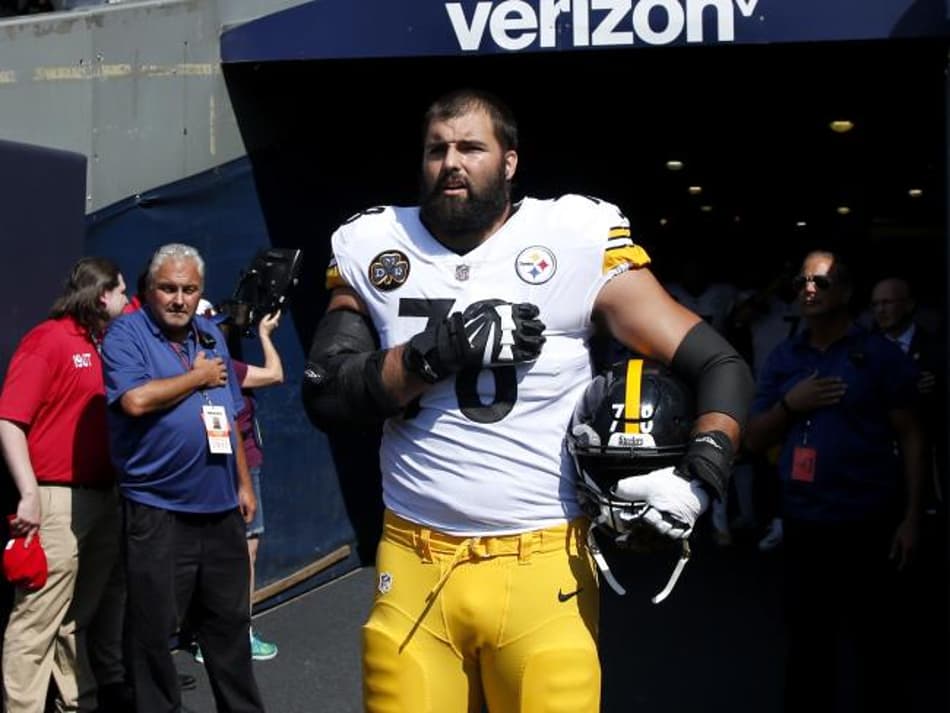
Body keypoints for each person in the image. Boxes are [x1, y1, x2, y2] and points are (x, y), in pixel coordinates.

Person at [302, 88, 754, 713]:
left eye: (470, 147)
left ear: (509, 162)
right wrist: (438, 352)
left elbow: (719, 363)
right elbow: (328, 394)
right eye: (437, 149)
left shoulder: (572, 236)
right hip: (414, 559)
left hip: (544, 561)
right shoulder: (376, 242)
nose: (451, 162)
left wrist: (701, 474)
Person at [744, 250, 926, 713]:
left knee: (878, 647)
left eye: (821, 282)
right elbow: (750, 438)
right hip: (806, 521)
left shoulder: (880, 357)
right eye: (803, 281)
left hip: (871, 522)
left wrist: (911, 518)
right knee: (808, 645)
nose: (808, 289)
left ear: (846, 292)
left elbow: (911, 435)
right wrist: (791, 404)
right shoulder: (786, 357)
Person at [100, 243, 265, 713]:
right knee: (153, 631)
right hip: (158, 508)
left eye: (188, 290)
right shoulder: (126, 335)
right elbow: (134, 401)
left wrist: (244, 482)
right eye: (168, 288)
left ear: (200, 293)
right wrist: (195, 379)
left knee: (229, 627)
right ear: (148, 290)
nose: (178, 299)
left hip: (219, 508)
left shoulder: (209, 335)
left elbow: (230, 415)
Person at [0, 257, 130, 713]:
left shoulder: (103, 342)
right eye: (121, 292)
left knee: (79, 617)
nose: (128, 300)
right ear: (101, 297)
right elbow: (9, 421)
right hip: (56, 501)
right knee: (35, 620)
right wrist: (30, 493)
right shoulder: (48, 340)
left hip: (103, 498)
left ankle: (79, 702)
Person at [193, 299, 283, 662]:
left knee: (220, 551)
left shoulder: (217, 366)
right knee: (244, 551)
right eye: (213, 323)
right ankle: (236, 633)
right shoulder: (221, 367)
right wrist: (265, 335)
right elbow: (276, 373)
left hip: (217, 469)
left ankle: (211, 634)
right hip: (232, 469)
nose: (220, 329)